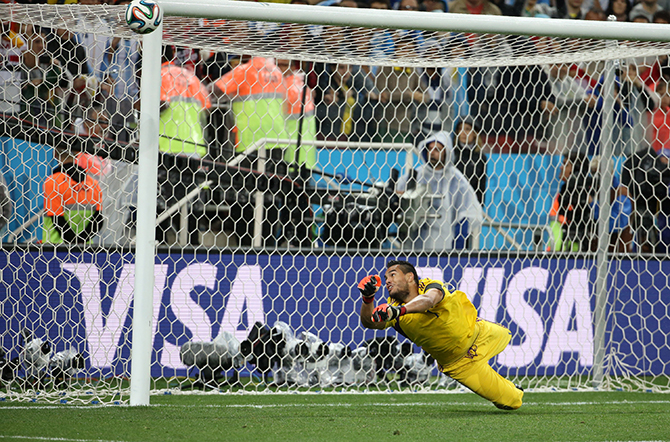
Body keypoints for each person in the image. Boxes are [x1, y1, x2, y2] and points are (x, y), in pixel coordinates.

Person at [358, 260, 524, 410]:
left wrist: (399, 311)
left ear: (410, 277)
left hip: (480, 333)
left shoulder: (430, 286)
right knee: (512, 402)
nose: (387, 280)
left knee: (507, 334)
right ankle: (512, 389)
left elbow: (429, 301)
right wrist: (367, 299)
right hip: (460, 364)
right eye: (385, 277)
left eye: (393, 275)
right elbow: (370, 323)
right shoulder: (392, 311)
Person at [396, 131, 483, 251]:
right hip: (415, 243)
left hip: (443, 241)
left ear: (446, 152)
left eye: (437, 149)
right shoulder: (417, 174)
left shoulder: (456, 179)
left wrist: (459, 240)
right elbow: (396, 195)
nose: (432, 152)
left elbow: (470, 210)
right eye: (430, 148)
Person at [43, 148, 103, 244]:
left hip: (55, 247)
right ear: (77, 154)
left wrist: (73, 243)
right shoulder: (93, 183)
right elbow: (98, 220)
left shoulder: (53, 182)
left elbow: (57, 219)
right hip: (86, 249)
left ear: (55, 154)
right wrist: (81, 241)